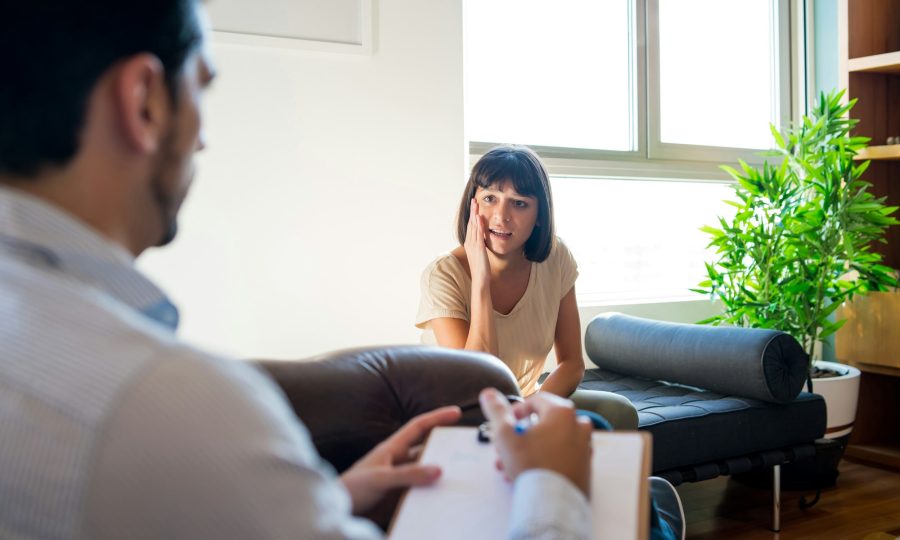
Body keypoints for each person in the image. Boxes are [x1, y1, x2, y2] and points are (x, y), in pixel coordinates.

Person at [0, 2, 634, 539]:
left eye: (519, 202)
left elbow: (567, 361)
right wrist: (551, 487)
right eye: (202, 87)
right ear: (142, 103)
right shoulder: (178, 407)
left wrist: (335, 498)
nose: (201, 140)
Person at [416, 145, 639, 428]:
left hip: (523, 403)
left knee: (617, 411)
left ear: (539, 216)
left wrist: (531, 410)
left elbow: (571, 364)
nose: (501, 215)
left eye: (519, 203)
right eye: (489, 198)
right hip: (459, 411)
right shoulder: (443, 274)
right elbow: (475, 382)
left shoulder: (556, 257)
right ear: (473, 205)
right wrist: (480, 278)